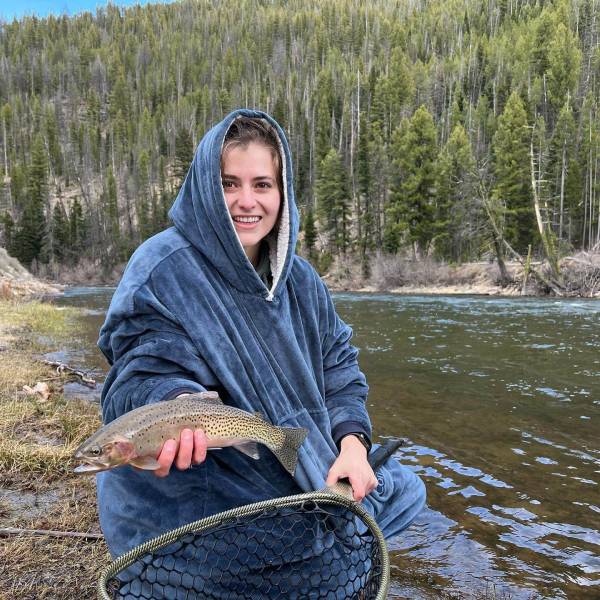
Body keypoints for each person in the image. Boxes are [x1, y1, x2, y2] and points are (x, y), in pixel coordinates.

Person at [96, 109, 426, 568]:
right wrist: (177, 405)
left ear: (281, 192)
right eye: (229, 184)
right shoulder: (162, 266)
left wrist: (353, 445)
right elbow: (139, 372)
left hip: (297, 461)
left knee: (408, 490)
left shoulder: (303, 280)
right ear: (205, 189)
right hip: (208, 487)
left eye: (262, 184)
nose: (246, 201)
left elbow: (340, 369)